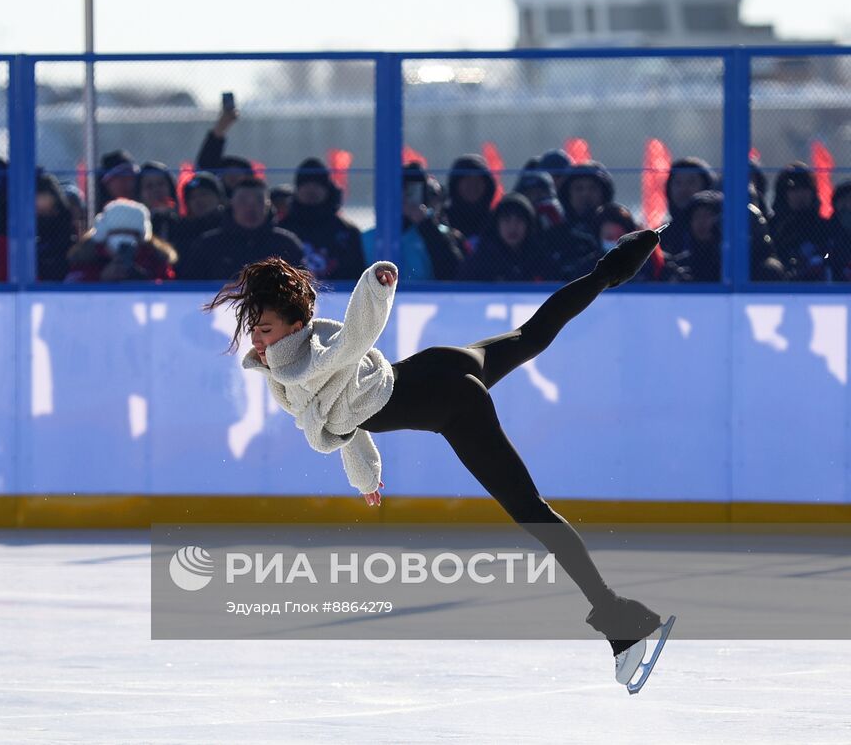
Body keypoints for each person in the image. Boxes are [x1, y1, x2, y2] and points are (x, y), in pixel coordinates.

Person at [209, 232, 671, 683]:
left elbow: (354, 343)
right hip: (441, 365)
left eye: (265, 329)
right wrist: (367, 477)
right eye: (254, 328)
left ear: (294, 328)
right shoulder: (301, 366)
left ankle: (616, 619)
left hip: (452, 401)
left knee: (531, 510)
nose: (258, 339)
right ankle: (616, 265)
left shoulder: (311, 365)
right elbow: (341, 417)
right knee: (534, 334)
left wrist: (375, 286)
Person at [177, 177, 304, 280]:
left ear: (268, 205)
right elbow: (190, 286)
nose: (250, 207)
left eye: (258, 201)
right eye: (243, 201)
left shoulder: (286, 244)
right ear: (232, 204)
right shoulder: (208, 245)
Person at [277, 157, 366, 281]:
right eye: (305, 183)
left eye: (317, 184)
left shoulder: (347, 232)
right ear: (297, 189)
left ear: (327, 189)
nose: (311, 189)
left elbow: (357, 276)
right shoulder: (283, 229)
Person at [65, 198, 177, 282]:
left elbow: (169, 287)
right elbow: (71, 286)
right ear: (104, 236)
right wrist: (100, 277)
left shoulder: (154, 257)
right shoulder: (87, 257)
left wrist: (144, 279)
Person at [458, 193, 554, 282]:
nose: (513, 227)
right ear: (496, 225)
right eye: (506, 219)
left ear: (528, 225)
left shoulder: (542, 261)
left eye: (519, 220)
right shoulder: (478, 263)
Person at [397, 162, 464, 282]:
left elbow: (454, 271)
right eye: (404, 191)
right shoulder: (372, 238)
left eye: (414, 191)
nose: (408, 198)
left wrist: (426, 224)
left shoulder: (443, 233)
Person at [769, 162, 834, 281]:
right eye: (793, 189)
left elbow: (832, 254)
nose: (800, 194)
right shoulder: (772, 226)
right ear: (783, 194)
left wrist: (821, 259)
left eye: (805, 188)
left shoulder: (825, 226)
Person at [660, 157, 717, 260]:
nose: (684, 189)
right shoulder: (662, 236)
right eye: (678, 183)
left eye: (691, 182)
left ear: (706, 186)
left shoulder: (717, 233)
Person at [193, 100, 255, 194]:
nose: (233, 175)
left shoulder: (256, 203)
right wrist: (221, 126)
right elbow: (205, 168)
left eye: (238, 171)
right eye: (228, 170)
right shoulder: (215, 202)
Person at [442, 154, 499, 252]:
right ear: (456, 184)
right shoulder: (442, 220)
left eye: (478, 180)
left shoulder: (496, 221)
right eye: (467, 179)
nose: (473, 185)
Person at [596, 205, 669, 282]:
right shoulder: (588, 269)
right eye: (609, 238)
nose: (615, 242)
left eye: (620, 237)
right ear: (599, 238)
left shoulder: (650, 265)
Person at [168, 171, 227, 259]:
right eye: (192, 197)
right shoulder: (182, 232)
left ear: (219, 197)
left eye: (204, 194)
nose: (198, 200)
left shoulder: (231, 224)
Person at [36, 172, 78, 282]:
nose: (38, 201)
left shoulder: (63, 217)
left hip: (60, 269)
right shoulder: (30, 220)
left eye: (43, 195)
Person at [559, 161, 615, 242]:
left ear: (604, 194)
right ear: (568, 195)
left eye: (593, 188)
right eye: (579, 188)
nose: (586, 194)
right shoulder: (557, 233)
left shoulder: (617, 228)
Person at [136, 161, 181, 244]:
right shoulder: (135, 226)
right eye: (149, 186)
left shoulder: (183, 221)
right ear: (140, 194)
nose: (156, 190)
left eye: (161, 184)